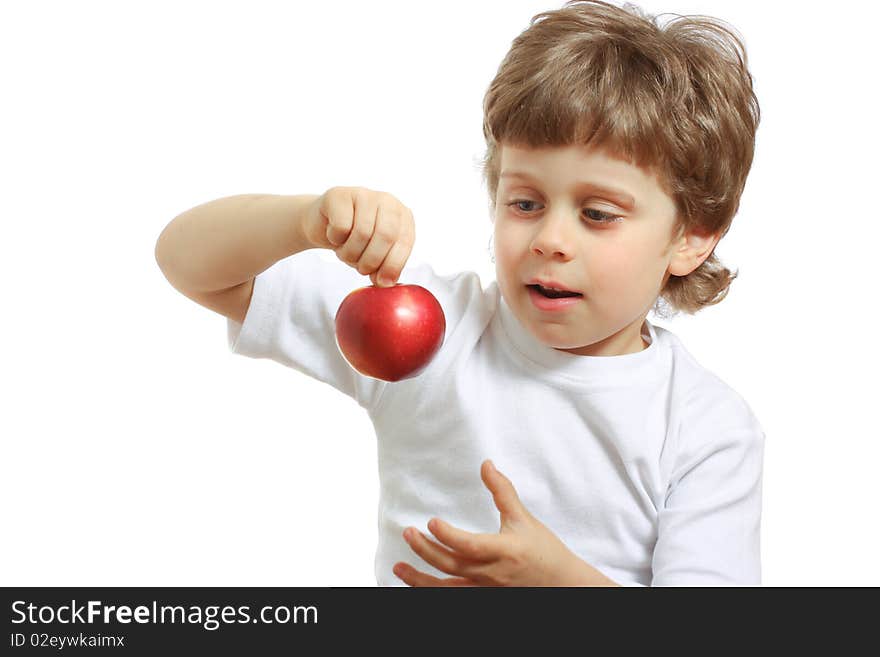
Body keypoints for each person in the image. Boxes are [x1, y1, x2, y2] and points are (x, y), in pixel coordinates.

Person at [155, 0, 764, 587]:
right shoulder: (430, 330)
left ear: (691, 238)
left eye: (598, 213)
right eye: (525, 203)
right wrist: (303, 221)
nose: (550, 239)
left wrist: (559, 586)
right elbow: (188, 263)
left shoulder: (704, 427)